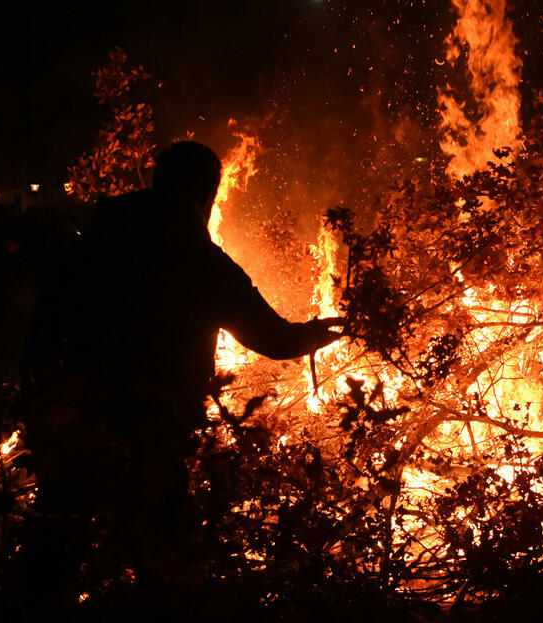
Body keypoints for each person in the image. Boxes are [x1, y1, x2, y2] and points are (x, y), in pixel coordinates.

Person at [18, 141, 341, 605]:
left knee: (53, 556)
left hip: (77, 422)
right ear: (206, 195)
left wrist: (42, 406)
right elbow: (272, 339)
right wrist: (317, 334)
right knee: (164, 567)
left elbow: (43, 333)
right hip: (152, 434)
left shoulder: (91, 248)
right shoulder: (201, 263)